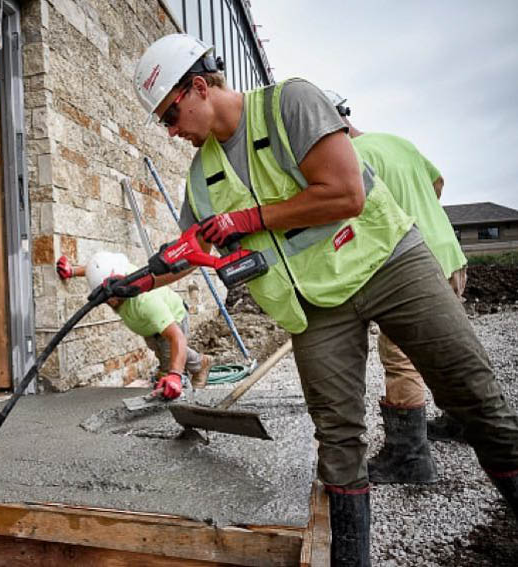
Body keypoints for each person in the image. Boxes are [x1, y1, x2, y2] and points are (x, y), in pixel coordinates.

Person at [127, 34, 518, 565]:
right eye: (163, 124)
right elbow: (188, 250)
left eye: (170, 115)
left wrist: (248, 220)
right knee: (337, 439)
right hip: (315, 304)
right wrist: (130, 283)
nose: (171, 131)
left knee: (475, 398)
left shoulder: (290, 103)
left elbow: (345, 193)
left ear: (198, 86)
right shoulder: (202, 176)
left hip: (387, 264)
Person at [324, 90, 469, 484]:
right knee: (448, 345)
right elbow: (437, 183)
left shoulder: (351, 159)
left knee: (400, 357)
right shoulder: (396, 142)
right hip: (448, 251)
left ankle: (409, 457)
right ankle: (462, 421)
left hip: (410, 264)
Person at [57, 251, 212, 397]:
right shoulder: (110, 269)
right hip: (149, 326)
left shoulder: (145, 301)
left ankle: (184, 392)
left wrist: (175, 375)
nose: (111, 301)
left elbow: (177, 337)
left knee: (169, 362)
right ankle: (200, 362)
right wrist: (72, 271)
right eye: (105, 298)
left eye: (113, 296)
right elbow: (95, 269)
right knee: (159, 350)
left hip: (172, 315)